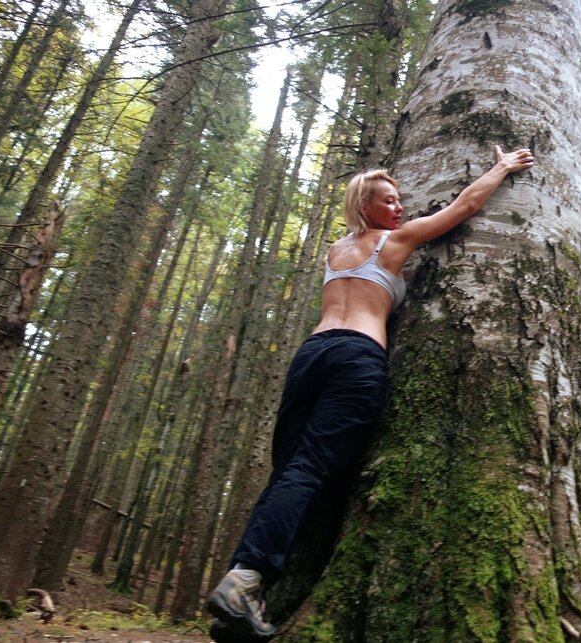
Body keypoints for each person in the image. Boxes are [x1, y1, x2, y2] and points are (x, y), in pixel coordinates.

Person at [205, 145, 535, 642]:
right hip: (357, 356)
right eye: (387, 200)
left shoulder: (335, 252)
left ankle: (245, 593)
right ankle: (244, 581)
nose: (399, 208)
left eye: (399, 200)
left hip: (311, 355)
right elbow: (465, 207)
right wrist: (502, 167)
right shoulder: (394, 242)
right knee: (310, 469)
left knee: (292, 473)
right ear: (364, 207)